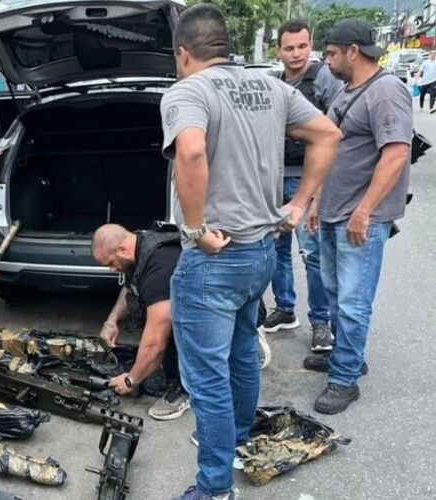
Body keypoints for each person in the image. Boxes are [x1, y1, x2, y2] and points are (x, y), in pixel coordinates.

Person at [160, 5, 341, 499]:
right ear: (224, 45)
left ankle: (215, 487)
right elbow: (328, 134)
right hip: (261, 249)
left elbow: (191, 152)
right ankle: (237, 436)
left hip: (214, 258)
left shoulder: (187, 91)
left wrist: (194, 229)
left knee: (206, 376)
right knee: (241, 350)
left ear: (183, 53)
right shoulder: (272, 87)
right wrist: (298, 205)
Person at [305, 19, 412, 415]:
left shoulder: (386, 91)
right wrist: (316, 200)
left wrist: (364, 211)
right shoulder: (348, 91)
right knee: (335, 294)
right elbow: (331, 150)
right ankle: (347, 356)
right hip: (334, 211)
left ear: (353, 51)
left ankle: (345, 378)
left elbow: (396, 153)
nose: (327, 60)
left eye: (331, 53)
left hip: (359, 217)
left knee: (352, 301)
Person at [262, 19, 343, 354]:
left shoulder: (323, 78)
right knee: (275, 248)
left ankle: (321, 322)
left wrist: (320, 187)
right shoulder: (274, 83)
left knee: (311, 253)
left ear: (311, 47)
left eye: (302, 46)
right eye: (289, 47)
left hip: (307, 178)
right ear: (278, 50)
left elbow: (337, 129)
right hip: (275, 176)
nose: (296, 54)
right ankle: (284, 308)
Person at [91, 223, 189, 421]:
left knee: (169, 332)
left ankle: (184, 388)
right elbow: (132, 287)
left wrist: (130, 380)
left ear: (122, 250)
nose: (111, 270)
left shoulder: (160, 267)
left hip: (214, 311)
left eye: (110, 263)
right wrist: (112, 321)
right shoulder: (139, 246)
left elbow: (156, 341)